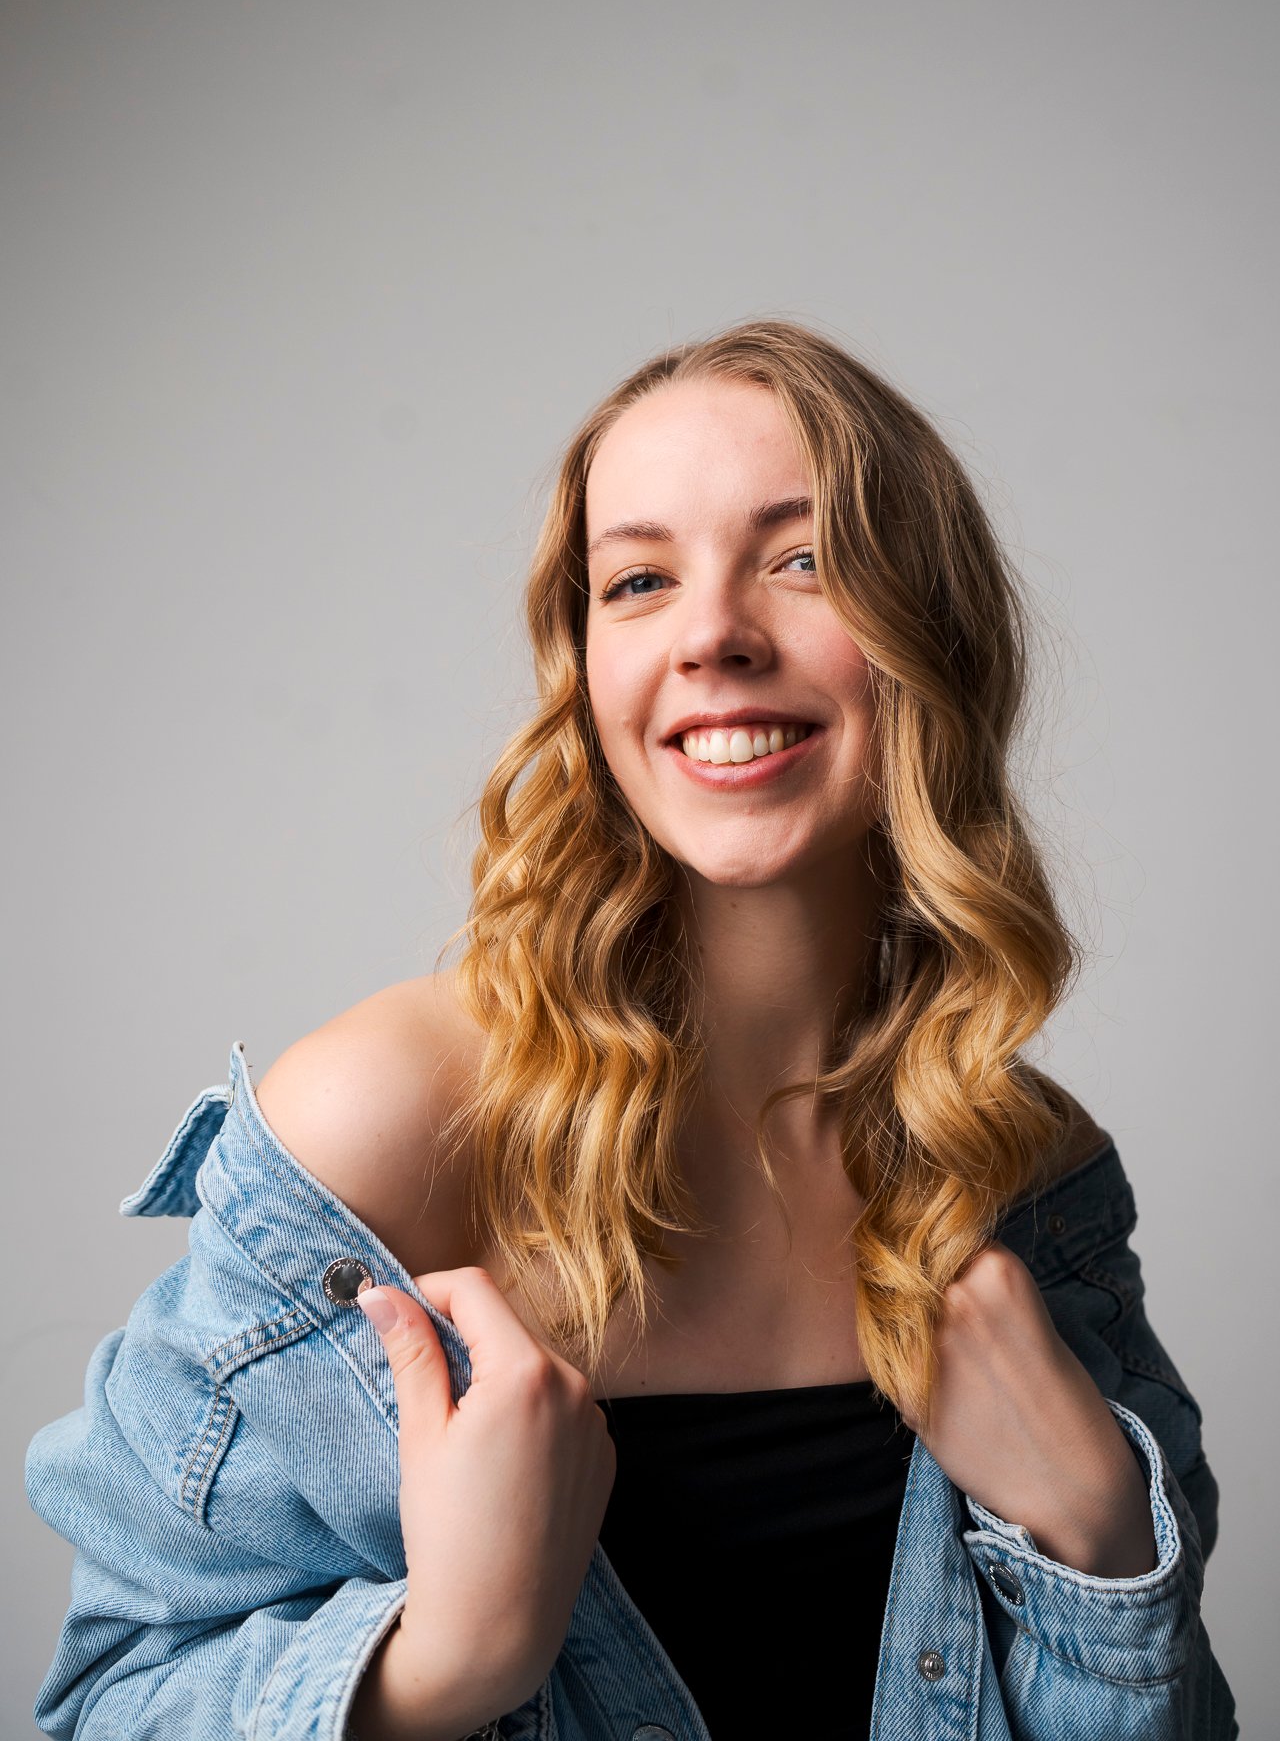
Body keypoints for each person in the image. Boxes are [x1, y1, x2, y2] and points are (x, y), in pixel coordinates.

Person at [26, 319, 1239, 1740]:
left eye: (803, 560)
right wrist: (440, 1669)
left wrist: (1101, 1544)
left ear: (935, 637)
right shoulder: (383, 1131)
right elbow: (110, 1699)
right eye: (641, 581)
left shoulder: (1023, 1169)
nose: (712, 635)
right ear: (587, 665)